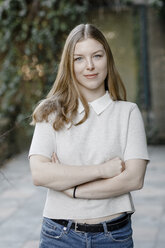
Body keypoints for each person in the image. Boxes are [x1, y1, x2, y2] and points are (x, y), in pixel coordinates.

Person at [28, 23, 149, 248]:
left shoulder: (128, 112)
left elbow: (134, 179)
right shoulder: (50, 112)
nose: (90, 66)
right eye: (79, 59)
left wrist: (71, 189)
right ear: (69, 64)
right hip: (59, 235)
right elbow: (39, 173)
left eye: (97, 55)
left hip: (113, 236)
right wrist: (102, 171)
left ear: (108, 59)